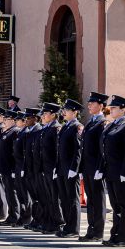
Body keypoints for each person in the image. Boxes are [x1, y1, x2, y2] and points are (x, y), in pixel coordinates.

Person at [98, 95, 125, 247]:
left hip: (121, 173)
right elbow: (105, 149)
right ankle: (115, 234)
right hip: (111, 171)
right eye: (111, 107)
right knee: (115, 205)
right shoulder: (111, 125)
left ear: (123, 109)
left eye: (114, 108)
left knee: (124, 205)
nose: (111, 110)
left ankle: (124, 237)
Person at [79, 92, 109, 242]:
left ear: (101, 106)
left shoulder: (102, 123)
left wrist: (100, 168)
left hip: (96, 168)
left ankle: (98, 231)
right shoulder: (90, 122)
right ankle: (91, 229)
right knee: (90, 201)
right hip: (88, 168)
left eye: (93, 103)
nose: (89, 105)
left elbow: (102, 150)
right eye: (89, 103)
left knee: (98, 200)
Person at [55, 99, 83, 238]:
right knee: (65, 198)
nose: (64, 112)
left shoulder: (77, 127)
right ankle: (67, 225)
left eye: (66, 110)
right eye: (64, 110)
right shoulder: (66, 126)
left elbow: (78, 150)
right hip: (62, 168)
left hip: (70, 169)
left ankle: (74, 228)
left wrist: (75, 168)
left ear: (74, 112)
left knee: (72, 199)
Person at [38, 102, 64, 234]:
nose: (43, 115)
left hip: (52, 168)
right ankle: (50, 222)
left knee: (55, 197)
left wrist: (55, 167)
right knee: (48, 196)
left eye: (45, 113)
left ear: (53, 115)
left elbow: (57, 150)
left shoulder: (56, 128)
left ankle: (58, 222)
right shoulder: (47, 128)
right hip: (45, 167)